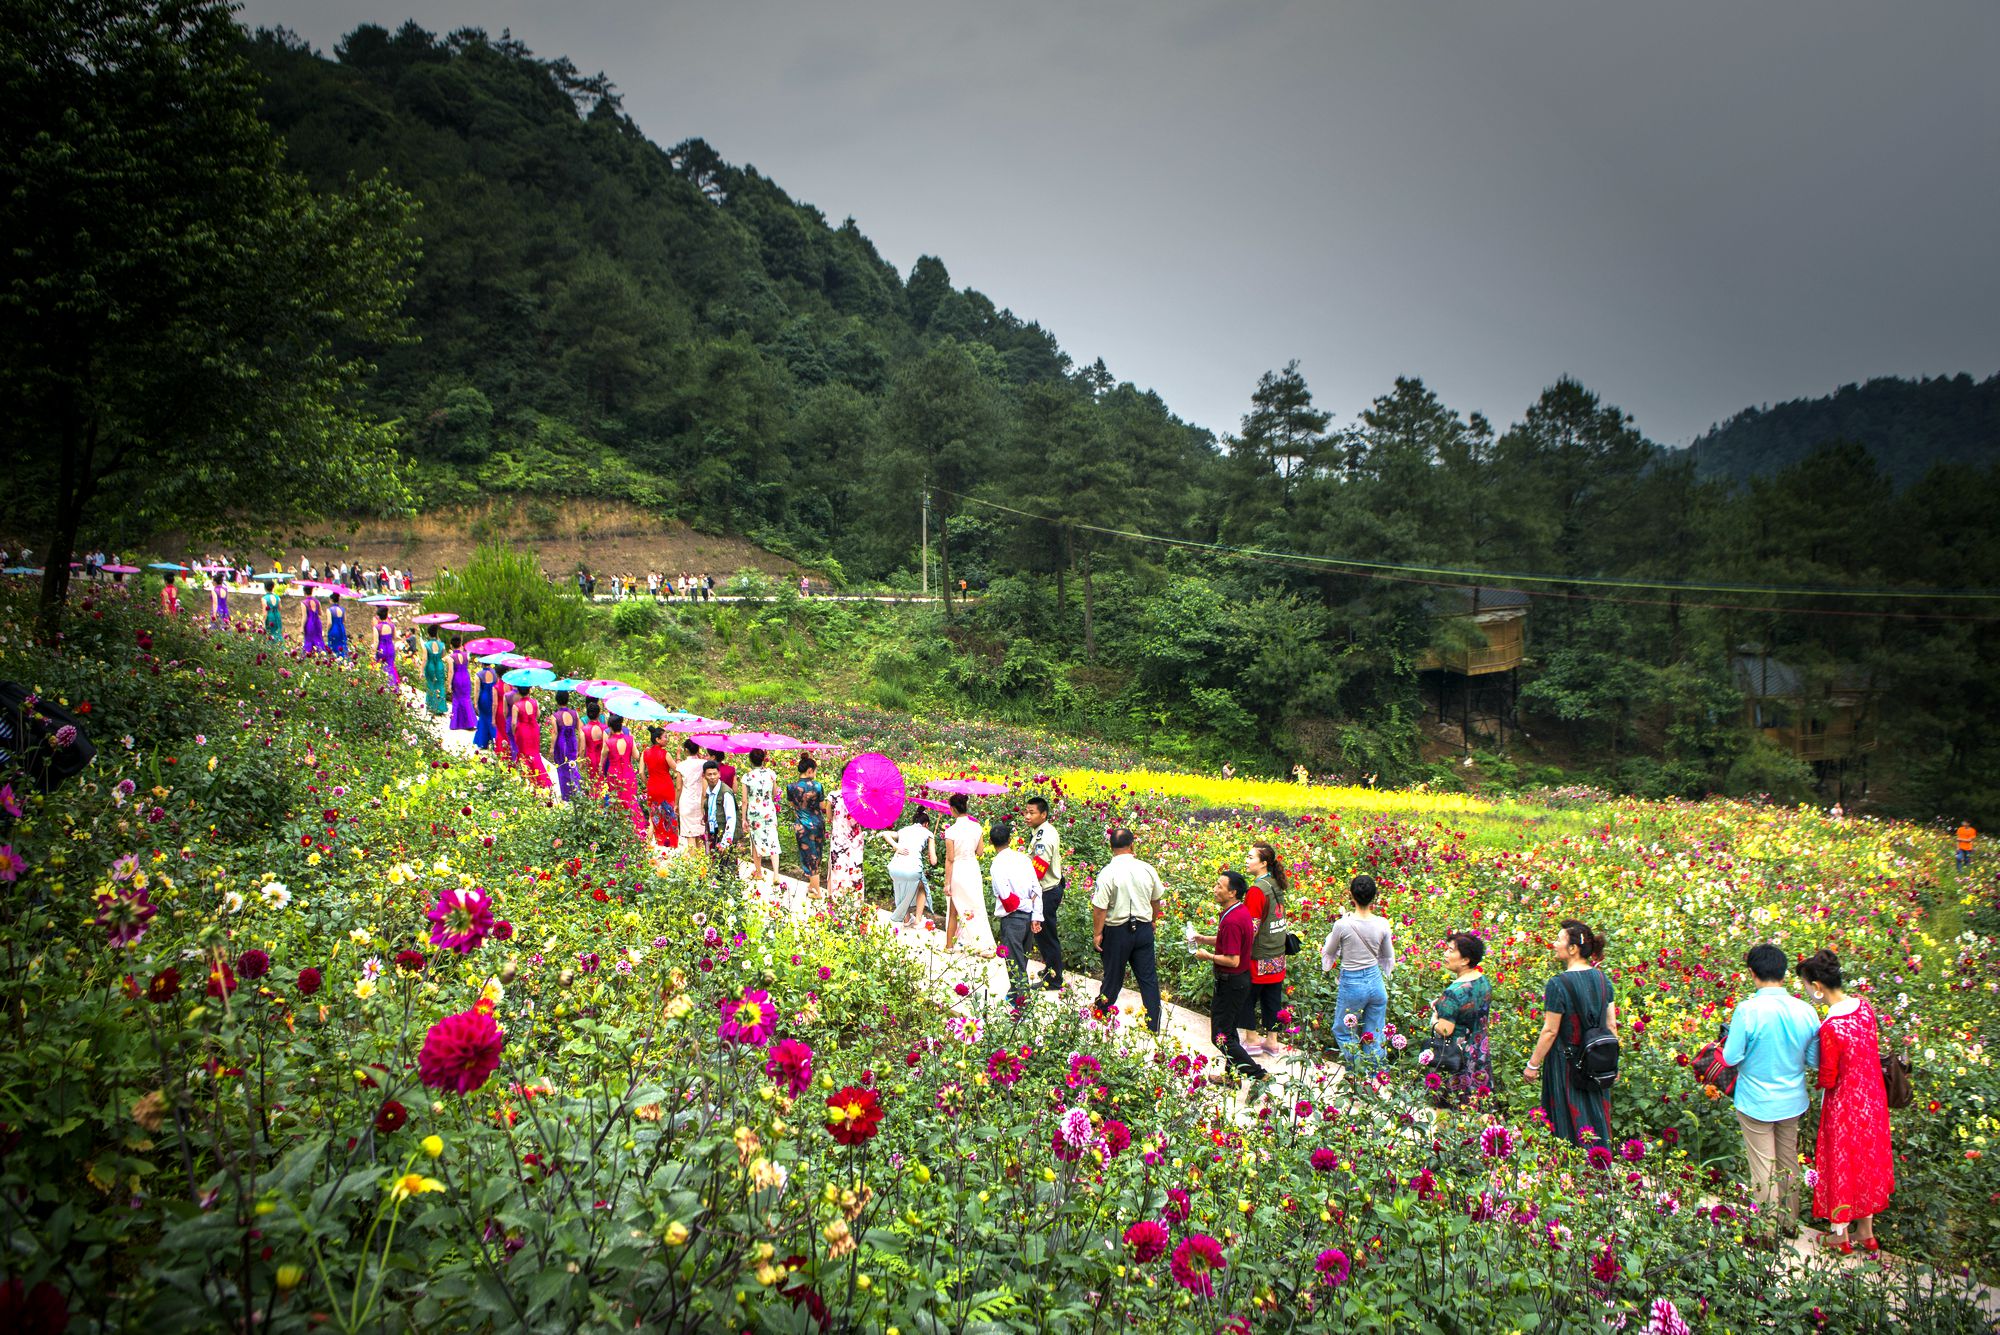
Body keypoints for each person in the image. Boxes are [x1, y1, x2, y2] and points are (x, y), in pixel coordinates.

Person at [1722, 943, 1823, 1236]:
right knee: (1788, 1160)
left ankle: (1767, 1233)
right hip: (1792, 1100)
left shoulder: (1747, 1010)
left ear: (1752, 973)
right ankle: (1790, 1224)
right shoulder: (1806, 1011)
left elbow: (1730, 1058)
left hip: (1756, 1101)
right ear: (1784, 973)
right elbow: (1814, 1060)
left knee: (1763, 1167)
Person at [1798, 950, 1895, 1253]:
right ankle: (1866, 1232)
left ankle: (1839, 1235)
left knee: (1840, 1163)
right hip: (1872, 1100)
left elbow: (1828, 1077)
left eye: (1804, 985)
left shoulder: (1830, 1026)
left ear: (1817, 986)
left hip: (1843, 1104)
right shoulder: (1864, 1008)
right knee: (1865, 1160)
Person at [1524, 920, 1616, 1149]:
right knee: (1595, 1114)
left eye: (1559, 940)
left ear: (1573, 948)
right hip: (1597, 1060)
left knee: (1567, 1116)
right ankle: (1599, 1169)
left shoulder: (1558, 984)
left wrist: (1533, 1065)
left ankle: (1569, 1172)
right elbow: (1611, 1027)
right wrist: (1612, 1064)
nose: (1554, 944)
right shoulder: (1603, 980)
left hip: (1565, 1062)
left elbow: (1550, 1031)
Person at [1191, 869, 1266, 1082]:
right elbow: (1229, 940)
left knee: (1220, 1037)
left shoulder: (1232, 919)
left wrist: (1207, 956)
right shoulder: (1238, 911)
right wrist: (1204, 938)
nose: (1215, 890)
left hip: (1231, 982)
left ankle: (1258, 1073)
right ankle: (1231, 1077)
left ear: (1232, 892)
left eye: (1219, 886)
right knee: (1229, 1031)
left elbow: (1232, 959)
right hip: (1238, 981)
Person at [1090, 827, 1166, 1033]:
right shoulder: (1147, 868)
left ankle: (1101, 1013)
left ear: (1110, 847)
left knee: (1113, 976)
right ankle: (1153, 1025)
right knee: (1148, 978)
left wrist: (1098, 933)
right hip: (1142, 929)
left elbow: (1100, 908)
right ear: (1132, 844)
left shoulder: (1107, 873)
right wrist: (1152, 920)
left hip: (1117, 931)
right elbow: (1156, 898)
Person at [1319, 875, 1396, 1064]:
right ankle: (1377, 1075)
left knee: (1343, 1030)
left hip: (1352, 983)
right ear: (1374, 897)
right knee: (1375, 1034)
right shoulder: (1382, 923)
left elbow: (1329, 952)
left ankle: (1358, 1072)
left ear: (1351, 895)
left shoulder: (1342, 924)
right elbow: (1386, 956)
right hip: (1376, 982)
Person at [1429, 932, 1494, 1106]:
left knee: (1447, 1109)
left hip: (1455, 1058)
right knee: (1477, 1105)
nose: (1445, 954)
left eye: (1450, 950)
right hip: (1479, 1053)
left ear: (1465, 960)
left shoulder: (1454, 992)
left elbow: (1445, 1029)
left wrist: (1435, 1018)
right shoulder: (1483, 981)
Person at [988, 818, 1043, 1004]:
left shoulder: (997, 865)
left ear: (990, 842)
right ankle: (1014, 993)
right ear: (1010, 840)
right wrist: (1035, 914)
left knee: (1015, 963)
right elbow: (1037, 889)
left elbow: (1007, 899)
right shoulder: (1024, 859)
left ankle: (1022, 1002)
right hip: (1028, 919)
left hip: (1013, 920)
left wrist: (1026, 904)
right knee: (1022, 960)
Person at [1243, 842, 1290, 1055]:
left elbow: (1251, 927)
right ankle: (1272, 1041)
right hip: (1277, 955)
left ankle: (1251, 1040)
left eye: (1251, 857)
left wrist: (1238, 951)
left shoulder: (1256, 890)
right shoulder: (1276, 884)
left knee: (1248, 996)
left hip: (1259, 956)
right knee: (1272, 999)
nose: (1247, 860)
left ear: (1263, 863)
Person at [941, 794, 994, 956]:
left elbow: (950, 859)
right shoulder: (977, 827)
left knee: (954, 909)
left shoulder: (951, 831)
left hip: (958, 870)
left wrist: (947, 883)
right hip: (972, 869)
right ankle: (983, 945)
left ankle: (949, 946)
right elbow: (980, 852)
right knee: (977, 906)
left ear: (952, 809)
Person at [1022, 796, 1065, 989]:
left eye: (1032, 813)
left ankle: (1054, 980)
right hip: (1047, 888)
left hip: (1046, 891)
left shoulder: (1044, 838)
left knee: (1046, 937)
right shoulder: (1041, 831)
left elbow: (1039, 869)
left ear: (1044, 814)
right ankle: (1051, 968)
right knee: (1044, 935)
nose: (1027, 816)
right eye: (1026, 812)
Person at [882, 810, 936, 926]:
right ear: (926, 824)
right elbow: (933, 861)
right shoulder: (929, 833)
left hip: (895, 868)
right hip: (912, 869)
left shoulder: (903, 830)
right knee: (922, 887)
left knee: (901, 889)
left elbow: (885, 833)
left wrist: (896, 846)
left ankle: (906, 919)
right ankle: (917, 920)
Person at [786, 756, 827, 889]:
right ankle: (813, 887)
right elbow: (822, 806)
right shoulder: (818, 786)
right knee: (817, 855)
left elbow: (792, 803)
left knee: (808, 856)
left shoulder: (791, 787)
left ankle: (815, 889)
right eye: (815, 771)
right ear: (810, 770)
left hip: (802, 825)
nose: (815, 774)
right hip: (818, 824)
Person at [741, 748, 780, 881]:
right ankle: (776, 874)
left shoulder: (747, 777)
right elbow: (775, 794)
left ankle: (758, 872)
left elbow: (744, 800)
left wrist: (743, 818)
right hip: (768, 810)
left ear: (751, 760)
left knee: (755, 840)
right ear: (764, 759)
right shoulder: (771, 774)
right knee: (773, 839)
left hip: (754, 812)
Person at [601, 714, 642, 834]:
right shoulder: (629, 739)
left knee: (616, 801)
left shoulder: (609, 742)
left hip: (614, 774)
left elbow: (603, 758)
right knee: (630, 800)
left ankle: (617, 829)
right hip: (628, 772)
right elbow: (636, 756)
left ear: (611, 728)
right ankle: (636, 829)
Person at [642, 728, 678, 848]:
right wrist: (678, 757)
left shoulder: (645, 753)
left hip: (652, 786)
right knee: (669, 814)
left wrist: (647, 783)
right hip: (666, 786)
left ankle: (649, 843)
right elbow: (677, 769)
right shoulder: (665, 754)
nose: (667, 739)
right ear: (657, 739)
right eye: (665, 737)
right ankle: (670, 843)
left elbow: (641, 772)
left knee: (654, 815)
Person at [827, 787, 867, 897]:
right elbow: (864, 819)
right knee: (855, 869)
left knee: (837, 867)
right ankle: (854, 899)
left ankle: (836, 898)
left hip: (839, 838)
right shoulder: (861, 798)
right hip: (855, 840)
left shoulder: (833, 796)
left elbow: (829, 816)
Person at [512, 687, 550, 789]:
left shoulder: (516, 706)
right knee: (535, 754)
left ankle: (527, 780)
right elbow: (537, 715)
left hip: (522, 731)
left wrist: (514, 732)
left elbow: (514, 723)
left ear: (519, 692)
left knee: (523, 754)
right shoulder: (535, 702)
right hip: (533, 729)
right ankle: (542, 781)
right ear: (529, 690)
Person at [677, 739, 709, 855]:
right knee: (700, 834)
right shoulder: (704, 764)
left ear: (686, 750)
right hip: (701, 800)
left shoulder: (681, 765)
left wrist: (675, 804)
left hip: (686, 801)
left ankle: (694, 866)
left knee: (690, 834)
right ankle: (701, 865)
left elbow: (679, 787)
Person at [550, 690, 581, 802]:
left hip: (561, 744)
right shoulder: (574, 714)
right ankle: (577, 789)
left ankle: (566, 794)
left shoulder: (555, 716)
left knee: (562, 767)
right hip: (572, 741)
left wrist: (552, 748)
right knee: (573, 765)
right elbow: (580, 729)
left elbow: (555, 733)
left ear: (557, 701)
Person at [702, 760, 738, 853]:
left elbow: (731, 818)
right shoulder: (709, 791)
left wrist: (725, 842)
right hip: (713, 832)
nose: (712, 777)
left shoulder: (725, 792)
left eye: (715, 774)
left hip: (724, 834)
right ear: (704, 776)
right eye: (709, 774)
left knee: (726, 865)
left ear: (719, 774)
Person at [580, 700, 608, 796]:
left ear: (588, 714)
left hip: (590, 758)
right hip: (602, 757)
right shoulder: (604, 728)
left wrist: (581, 761)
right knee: (602, 780)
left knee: (592, 782)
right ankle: (602, 800)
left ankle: (594, 801)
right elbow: (606, 745)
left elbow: (583, 748)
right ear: (598, 714)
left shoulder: (584, 729)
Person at [447, 637, 474, 731]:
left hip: (457, 678)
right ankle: (469, 722)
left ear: (451, 645)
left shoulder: (451, 657)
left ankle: (456, 723)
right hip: (466, 677)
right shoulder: (467, 655)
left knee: (457, 699)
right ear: (460, 644)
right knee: (466, 699)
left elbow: (451, 671)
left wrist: (449, 684)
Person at [471, 661, 498, 751]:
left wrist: (475, 702)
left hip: (484, 697)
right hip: (493, 697)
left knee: (483, 718)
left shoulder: (479, 675)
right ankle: (494, 738)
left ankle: (483, 741)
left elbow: (477, 690)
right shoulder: (495, 673)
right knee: (492, 717)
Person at [421, 630, 448, 716]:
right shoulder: (442, 644)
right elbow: (443, 655)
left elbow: (425, 659)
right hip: (439, 665)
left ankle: (432, 706)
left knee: (431, 684)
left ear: (428, 634)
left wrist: (421, 670)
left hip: (430, 665)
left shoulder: (426, 645)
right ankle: (441, 707)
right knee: (440, 684)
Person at [374, 608, 400, 691]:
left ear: (378, 617)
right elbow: (395, 637)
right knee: (390, 666)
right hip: (390, 648)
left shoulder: (377, 627)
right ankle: (393, 687)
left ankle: (384, 688)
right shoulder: (392, 626)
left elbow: (376, 641)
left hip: (381, 649)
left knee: (382, 668)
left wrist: (373, 652)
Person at [302, 588, 326, 655]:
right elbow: (321, 613)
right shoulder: (317, 602)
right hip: (317, 622)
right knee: (318, 639)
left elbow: (305, 617)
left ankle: (309, 655)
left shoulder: (304, 603)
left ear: (304, 592)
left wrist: (301, 627)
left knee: (309, 640)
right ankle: (321, 655)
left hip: (309, 623)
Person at [325, 592, 348, 659]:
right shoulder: (342, 609)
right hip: (341, 628)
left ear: (331, 600)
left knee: (333, 646)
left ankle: (333, 660)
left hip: (333, 629)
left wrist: (327, 630)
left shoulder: (329, 610)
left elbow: (329, 622)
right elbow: (344, 620)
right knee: (342, 645)